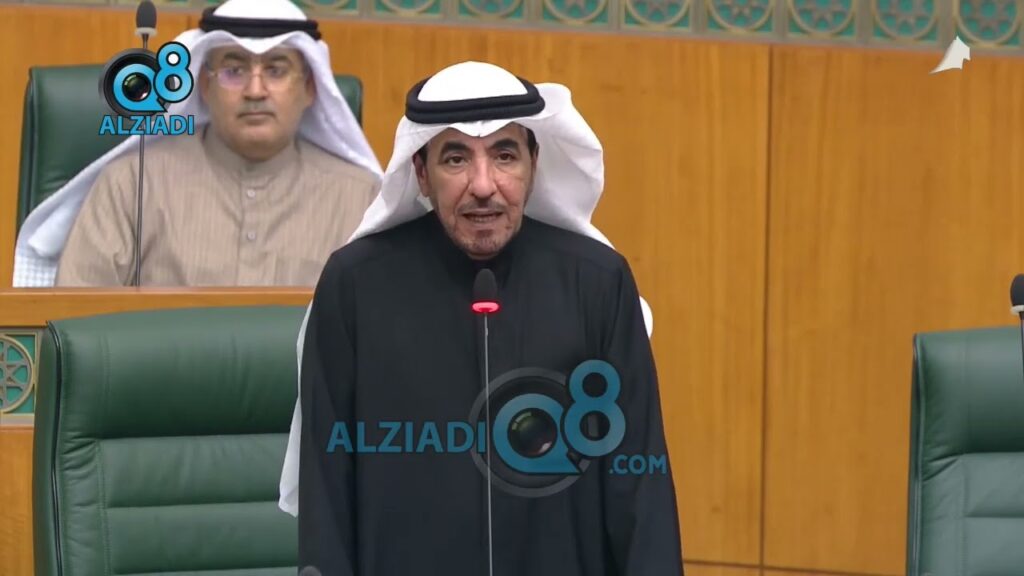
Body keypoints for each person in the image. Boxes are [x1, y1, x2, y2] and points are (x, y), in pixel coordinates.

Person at [288, 61, 682, 575]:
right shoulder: (356, 285)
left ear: (533, 165)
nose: (482, 185)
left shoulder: (597, 283)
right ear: (421, 173)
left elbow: (641, 490)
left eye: (504, 155)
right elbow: (326, 491)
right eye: (455, 158)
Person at [12, 0, 382, 287]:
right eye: (233, 70)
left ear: (310, 88)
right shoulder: (133, 183)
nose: (255, 90)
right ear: (204, 85)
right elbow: (77, 328)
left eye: (276, 70)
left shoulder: (361, 199)